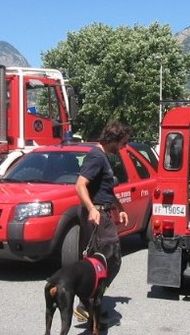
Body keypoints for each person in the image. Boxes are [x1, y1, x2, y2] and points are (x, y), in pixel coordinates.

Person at [73, 120, 130, 322]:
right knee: (110, 259)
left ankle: (89, 301)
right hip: (97, 216)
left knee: (100, 261)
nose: (125, 146)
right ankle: (86, 302)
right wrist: (91, 209)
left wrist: (120, 208)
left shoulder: (103, 157)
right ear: (114, 139)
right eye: (123, 141)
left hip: (104, 213)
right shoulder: (96, 156)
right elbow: (80, 185)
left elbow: (105, 189)